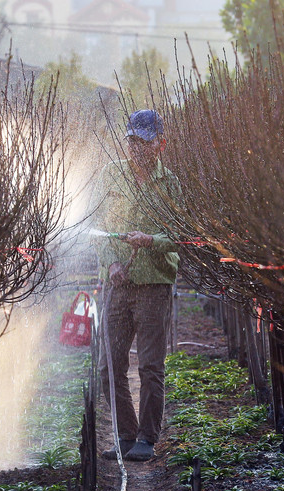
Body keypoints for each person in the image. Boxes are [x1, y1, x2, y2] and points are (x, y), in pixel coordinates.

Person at [91, 109, 181, 462]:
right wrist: (111, 262)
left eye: (144, 142)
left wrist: (151, 240)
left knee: (149, 365)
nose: (136, 148)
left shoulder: (170, 184)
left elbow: (179, 236)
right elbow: (97, 226)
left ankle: (147, 436)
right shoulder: (110, 175)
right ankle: (125, 435)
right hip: (118, 285)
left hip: (154, 285)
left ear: (160, 144)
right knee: (109, 365)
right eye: (132, 141)